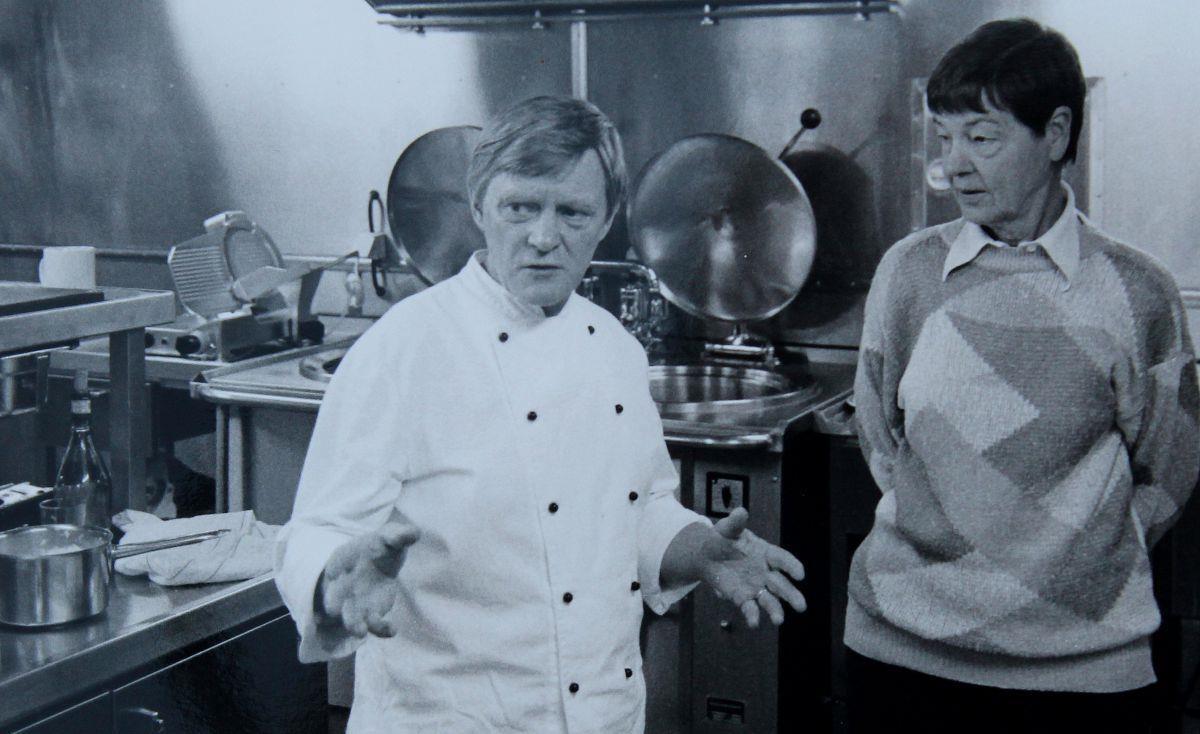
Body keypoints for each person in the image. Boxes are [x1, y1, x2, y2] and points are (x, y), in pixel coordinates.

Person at [274, 95, 806, 733]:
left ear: (606, 220)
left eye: (572, 212)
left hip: (603, 716)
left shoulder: (615, 349)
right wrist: (334, 582)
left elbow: (636, 509)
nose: (545, 237)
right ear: (479, 208)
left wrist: (699, 550)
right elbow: (318, 529)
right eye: (520, 207)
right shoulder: (403, 349)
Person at [847, 18, 1199, 734]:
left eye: (981, 138)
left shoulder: (1138, 290)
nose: (954, 165)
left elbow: (1171, 467)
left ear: (1057, 134)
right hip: (902, 653)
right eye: (944, 138)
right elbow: (880, 437)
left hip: (1085, 673)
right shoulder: (907, 272)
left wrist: (1068, 565)